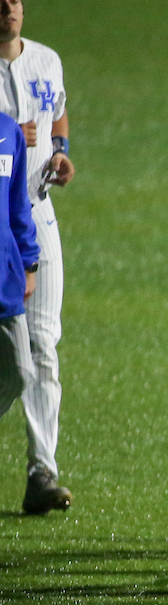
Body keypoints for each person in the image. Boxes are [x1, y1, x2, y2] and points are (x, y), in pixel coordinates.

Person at [0, 0, 74, 513]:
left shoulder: (46, 60)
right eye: (0, 2)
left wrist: (60, 149)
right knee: (15, 357)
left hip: (37, 213)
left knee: (44, 344)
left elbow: (59, 111)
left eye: (15, 0)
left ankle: (41, 470)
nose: (9, 9)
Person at [0, 110, 42, 509]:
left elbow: (18, 204)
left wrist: (28, 260)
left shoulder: (7, 131)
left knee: (20, 372)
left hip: (3, 278)